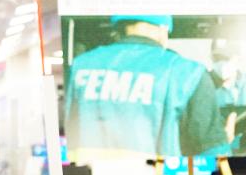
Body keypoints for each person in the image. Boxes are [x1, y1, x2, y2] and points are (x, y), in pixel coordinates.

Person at [62, 15, 225, 157]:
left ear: (119, 28)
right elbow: (210, 150)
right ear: (163, 28)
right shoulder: (186, 72)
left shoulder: (79, 66)